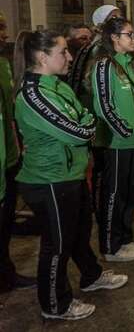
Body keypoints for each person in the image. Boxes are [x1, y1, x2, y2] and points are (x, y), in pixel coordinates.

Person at [15, 30, 127, 321]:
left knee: (79, 231)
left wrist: (83, 123)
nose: (69, 57)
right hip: (48, 178)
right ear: (42, 57)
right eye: (62, 52)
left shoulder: (58, 86)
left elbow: (84, 114)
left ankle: (91, 275)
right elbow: (78, 130)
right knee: (57, 244)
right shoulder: (33, 94)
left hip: (71, 172)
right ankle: (54, 303)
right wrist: (84, 125)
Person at [91, 18, 134, 262]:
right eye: (129, 34)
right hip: (118, 142)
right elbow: (103, 106)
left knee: (128, 194)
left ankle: (125, 239)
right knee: (114, 195)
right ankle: (110, 246)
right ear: (114, 38)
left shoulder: (127, 62)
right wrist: (124, 131)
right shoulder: (104, 66)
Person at [68, 5, 121, 212]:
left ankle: (114, 199)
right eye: (114, 18)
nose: (120, 20)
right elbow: (92, 84)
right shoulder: (99, 48)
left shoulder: (104, 45)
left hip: (102, 108)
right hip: (97, 111)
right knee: (104, 161)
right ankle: (103, 204)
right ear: (101, 24)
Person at [0, 15, 36, 294]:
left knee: (5, 220)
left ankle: (5, 272)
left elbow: (9, 110)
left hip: (8, 155)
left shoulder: (2, 64)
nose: (4, 33)